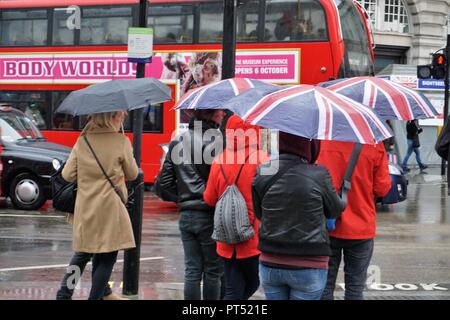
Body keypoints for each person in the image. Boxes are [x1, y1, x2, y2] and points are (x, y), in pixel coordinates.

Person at [252, 132, 345, 300]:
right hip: (309, 263)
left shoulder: (263, 170)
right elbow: (335, 211)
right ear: (309, 145)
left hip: (270, 260)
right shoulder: (319, 174)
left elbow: (259, 213)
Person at [56, 110, 138, 300]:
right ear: (111, 118)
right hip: (111, 210)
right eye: (120, 117)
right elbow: (133, 174)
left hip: (86, 210)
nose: (122, 121)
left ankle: (65, 292)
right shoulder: (121, 142)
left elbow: (67, 175)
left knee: (82, 255)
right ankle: (96, 297)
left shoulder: (82, 142)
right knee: (107, 258)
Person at [155, 109, 226, 300]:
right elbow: (224, 180)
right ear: (210, 114)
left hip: (187, 215)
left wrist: (183, 199)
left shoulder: (178, 141)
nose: (223, 114)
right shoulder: (218, 143)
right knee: (212, 271)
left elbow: (164, 183)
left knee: (192, 271)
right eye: (220, 111)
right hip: (211, 214)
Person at [203, 115, 269, 300]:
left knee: (233, 289)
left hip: (225, 235)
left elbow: (209, 198)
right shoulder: (262, 159)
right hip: (252, 235)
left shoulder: (219, 159)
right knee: (252, 283)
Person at [317, 141, 391, 300]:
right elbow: (382, 188)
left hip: (326, 225)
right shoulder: (373, 144)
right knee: (355, 290)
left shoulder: (321, 141)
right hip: (361, 226)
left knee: (324, 287)